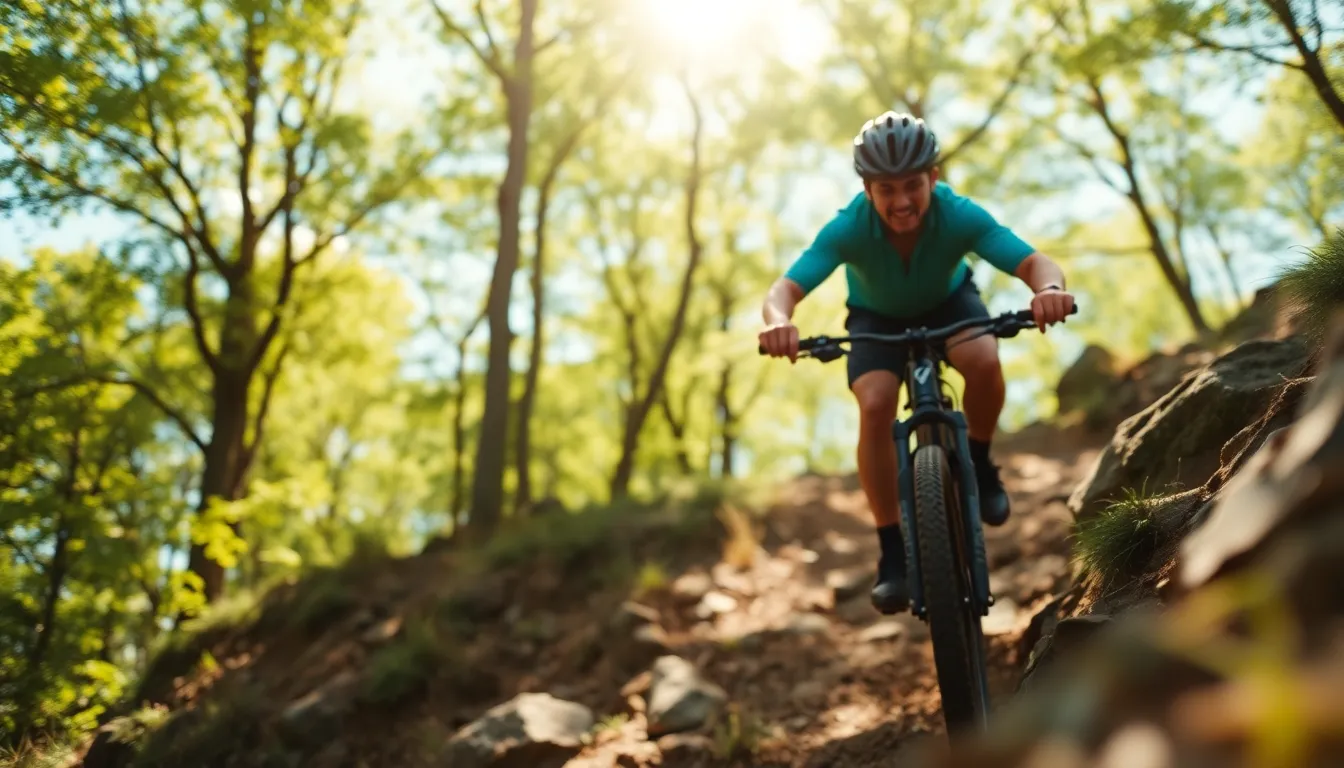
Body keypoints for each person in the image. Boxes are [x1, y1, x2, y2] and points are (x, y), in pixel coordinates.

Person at [758, 112, 1076, 614]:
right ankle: (891, 550)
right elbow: (787, 289)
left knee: (984, 359)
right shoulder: (848, 228)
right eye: (887, 189)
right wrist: (778, 320)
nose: (902, 201)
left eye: (913, 185)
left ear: (933, 178)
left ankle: (979, 460)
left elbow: (1035, 263)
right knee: (876, 404)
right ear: (867, 189)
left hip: (950, 305)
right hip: (874, 319)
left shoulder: (959, 215)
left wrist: (1049, 290)